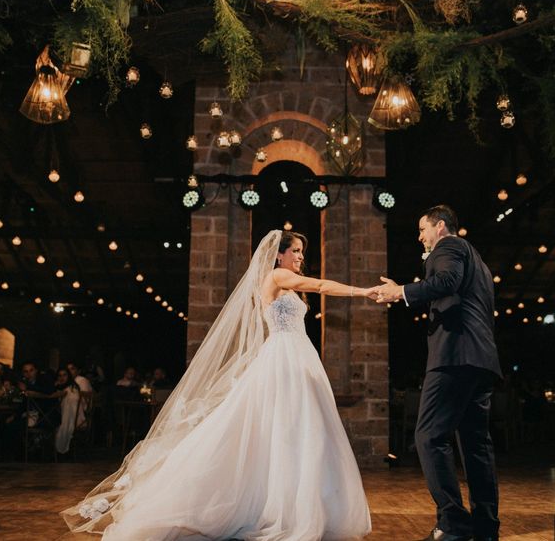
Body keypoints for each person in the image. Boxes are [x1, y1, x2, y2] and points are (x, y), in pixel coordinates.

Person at [62, 230, 373, 540]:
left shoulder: (286, 285)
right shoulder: (277, 276)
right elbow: (319, 285)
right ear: (279, 255)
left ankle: (297, 504)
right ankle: (271, 506)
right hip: (284, 359)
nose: (301, 257)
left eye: (302, 252)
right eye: (296, 251)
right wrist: (363, 292)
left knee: (297, 430)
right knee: (282, 427)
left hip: (298, 356)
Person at [374, 205, 501, 541]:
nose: (419, 237)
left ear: (440, 226)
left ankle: (454, 524)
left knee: (429, 437)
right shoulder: (481, 264)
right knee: (476, 446)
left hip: (455, 358)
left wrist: (400, 292)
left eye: (422, 229)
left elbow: (446, 281)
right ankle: (486, 529)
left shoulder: (450, 247)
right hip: (481, 361)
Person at [54, 367, 82, 455]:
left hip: (74, 419)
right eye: (59, 375)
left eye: (64, 375)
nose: (62, 378)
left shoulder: (71, 390)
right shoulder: (63, 388)